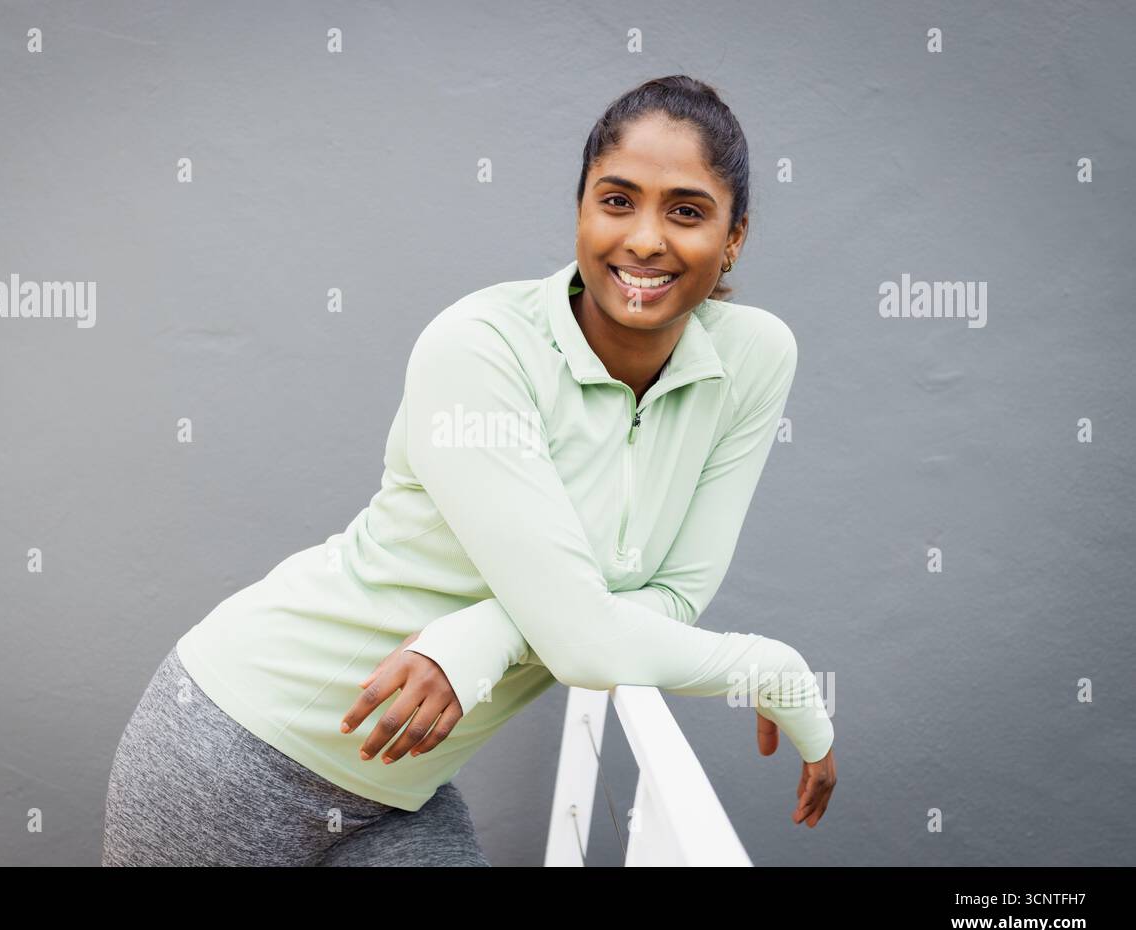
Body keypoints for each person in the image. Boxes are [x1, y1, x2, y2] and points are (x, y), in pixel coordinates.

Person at [102, 75, 837, 868]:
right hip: (232, 743)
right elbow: (588, 639)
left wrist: (486, 633)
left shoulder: (754, 359)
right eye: (617, 200)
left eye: (686, 211)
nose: (647, 239)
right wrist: (776, 667)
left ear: (735, 238)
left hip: (400, 786)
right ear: (583, 210)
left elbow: (674, 597)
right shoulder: (480, 346)